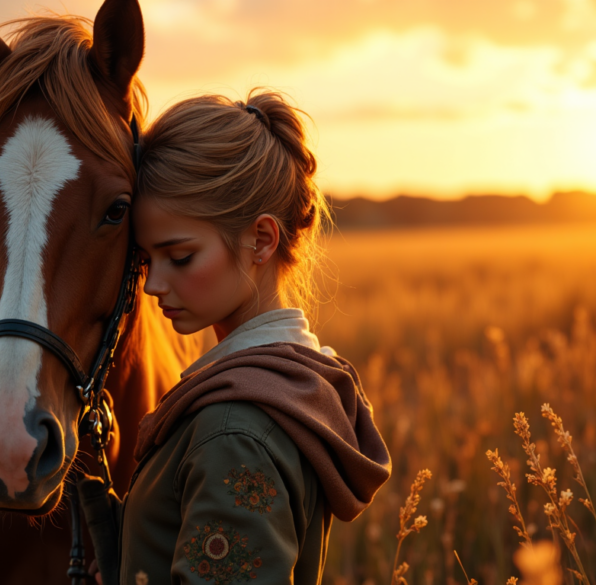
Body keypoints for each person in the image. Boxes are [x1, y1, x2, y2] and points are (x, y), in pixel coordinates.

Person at [78, 89, 391, 585]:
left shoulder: (235, 432)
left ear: (261, 240)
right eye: (144, 261)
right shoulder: (290, 383)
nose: (153, 284)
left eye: (179, 257)